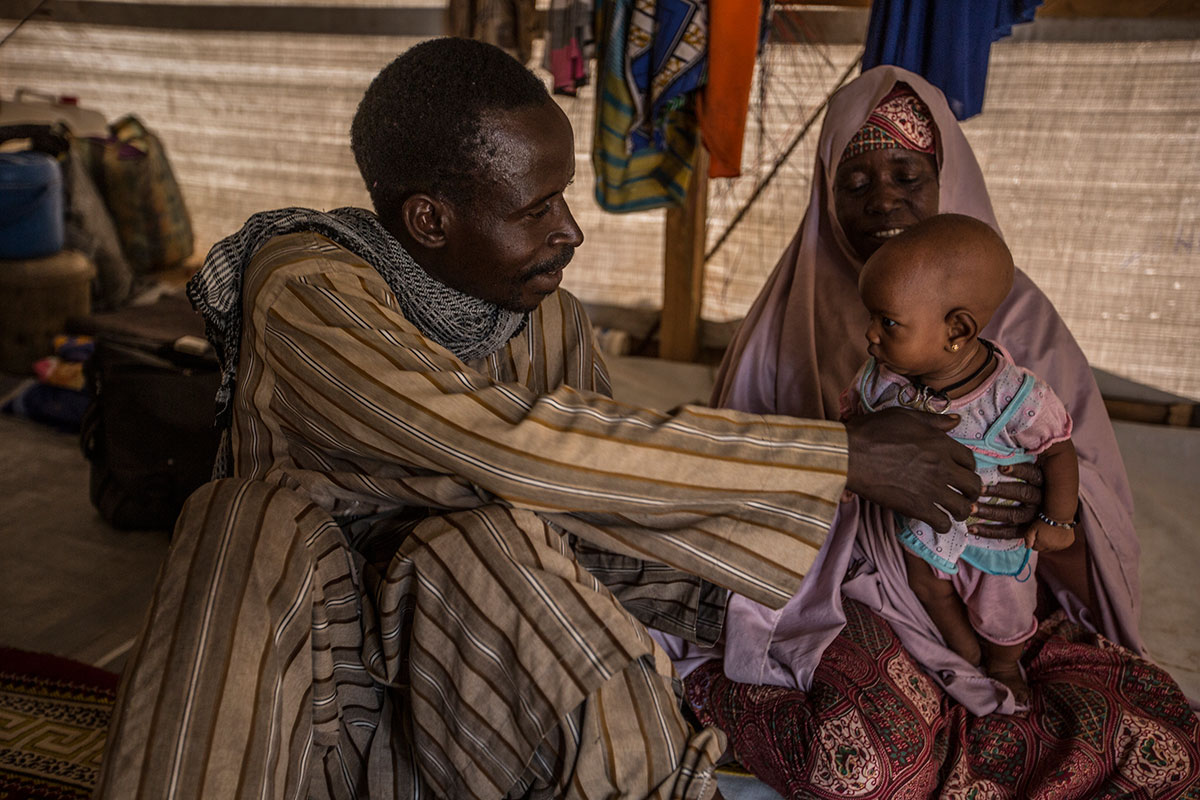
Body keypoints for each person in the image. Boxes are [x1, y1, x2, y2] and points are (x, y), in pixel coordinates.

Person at [95, 40, 994, 800]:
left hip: (462, 691)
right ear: (429, 220)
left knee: (500, 543)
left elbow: (597, 491)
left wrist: (781, 600)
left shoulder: (541, 310)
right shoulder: (308, 289)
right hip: (303, 695)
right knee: (243, 519)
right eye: (537, 208)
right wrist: (834, 457)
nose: (570, 232)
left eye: (563, 199)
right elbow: (512, 444)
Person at [679, 66, 1200, 797]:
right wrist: (852, 476)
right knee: (861, 760)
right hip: (843, 597)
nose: (883, 198)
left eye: (906, 174)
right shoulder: (786, 315)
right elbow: (729, 496)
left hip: (1003, 590)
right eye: (854, 182)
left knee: (1162, 743)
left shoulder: (1019, 321)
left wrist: (1047, 511)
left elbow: (1087, 490)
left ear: (944, 180)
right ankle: (719, 692)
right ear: (824, 196)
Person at [847, 213, 1080, 705]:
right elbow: (846, 428)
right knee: (927, 588)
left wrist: (1057, 518)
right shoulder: (881, 382)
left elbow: (1058, 450)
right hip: (927, 531)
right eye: (872, 317)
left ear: (958, 328)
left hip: (997, 542)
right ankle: (965, 656)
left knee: (1006, 616)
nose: (870, 334)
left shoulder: (1014, 398)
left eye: (887, 322)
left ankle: (1003, 664)